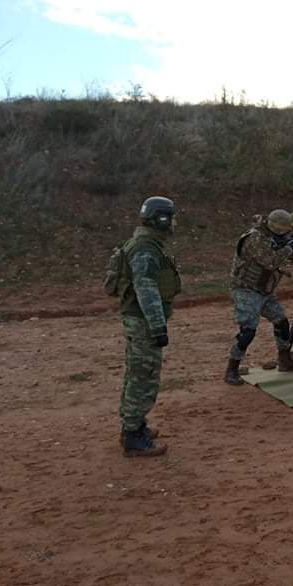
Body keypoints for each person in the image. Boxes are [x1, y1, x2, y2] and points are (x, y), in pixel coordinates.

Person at [117, 196, 181, 457]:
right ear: (161, 219)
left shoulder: (147, 244)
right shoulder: (145, 249)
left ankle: (135, 426)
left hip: (140, 320)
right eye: (171, 217)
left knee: (138, 373)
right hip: (144, 321)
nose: (174, 222)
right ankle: (133, 436)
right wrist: (158, 326)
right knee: (144, 376)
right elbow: (146, 290)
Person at [224, 209, 293, 385]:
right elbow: (271, 260)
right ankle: (231, 370)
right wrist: (290, 249)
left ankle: (285, 360)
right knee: (248, 330)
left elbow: (280, 257)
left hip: (263, 290)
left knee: (281, 321)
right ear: (279, 229)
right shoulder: (255, 238)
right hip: (246, 289)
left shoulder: (270, 237)